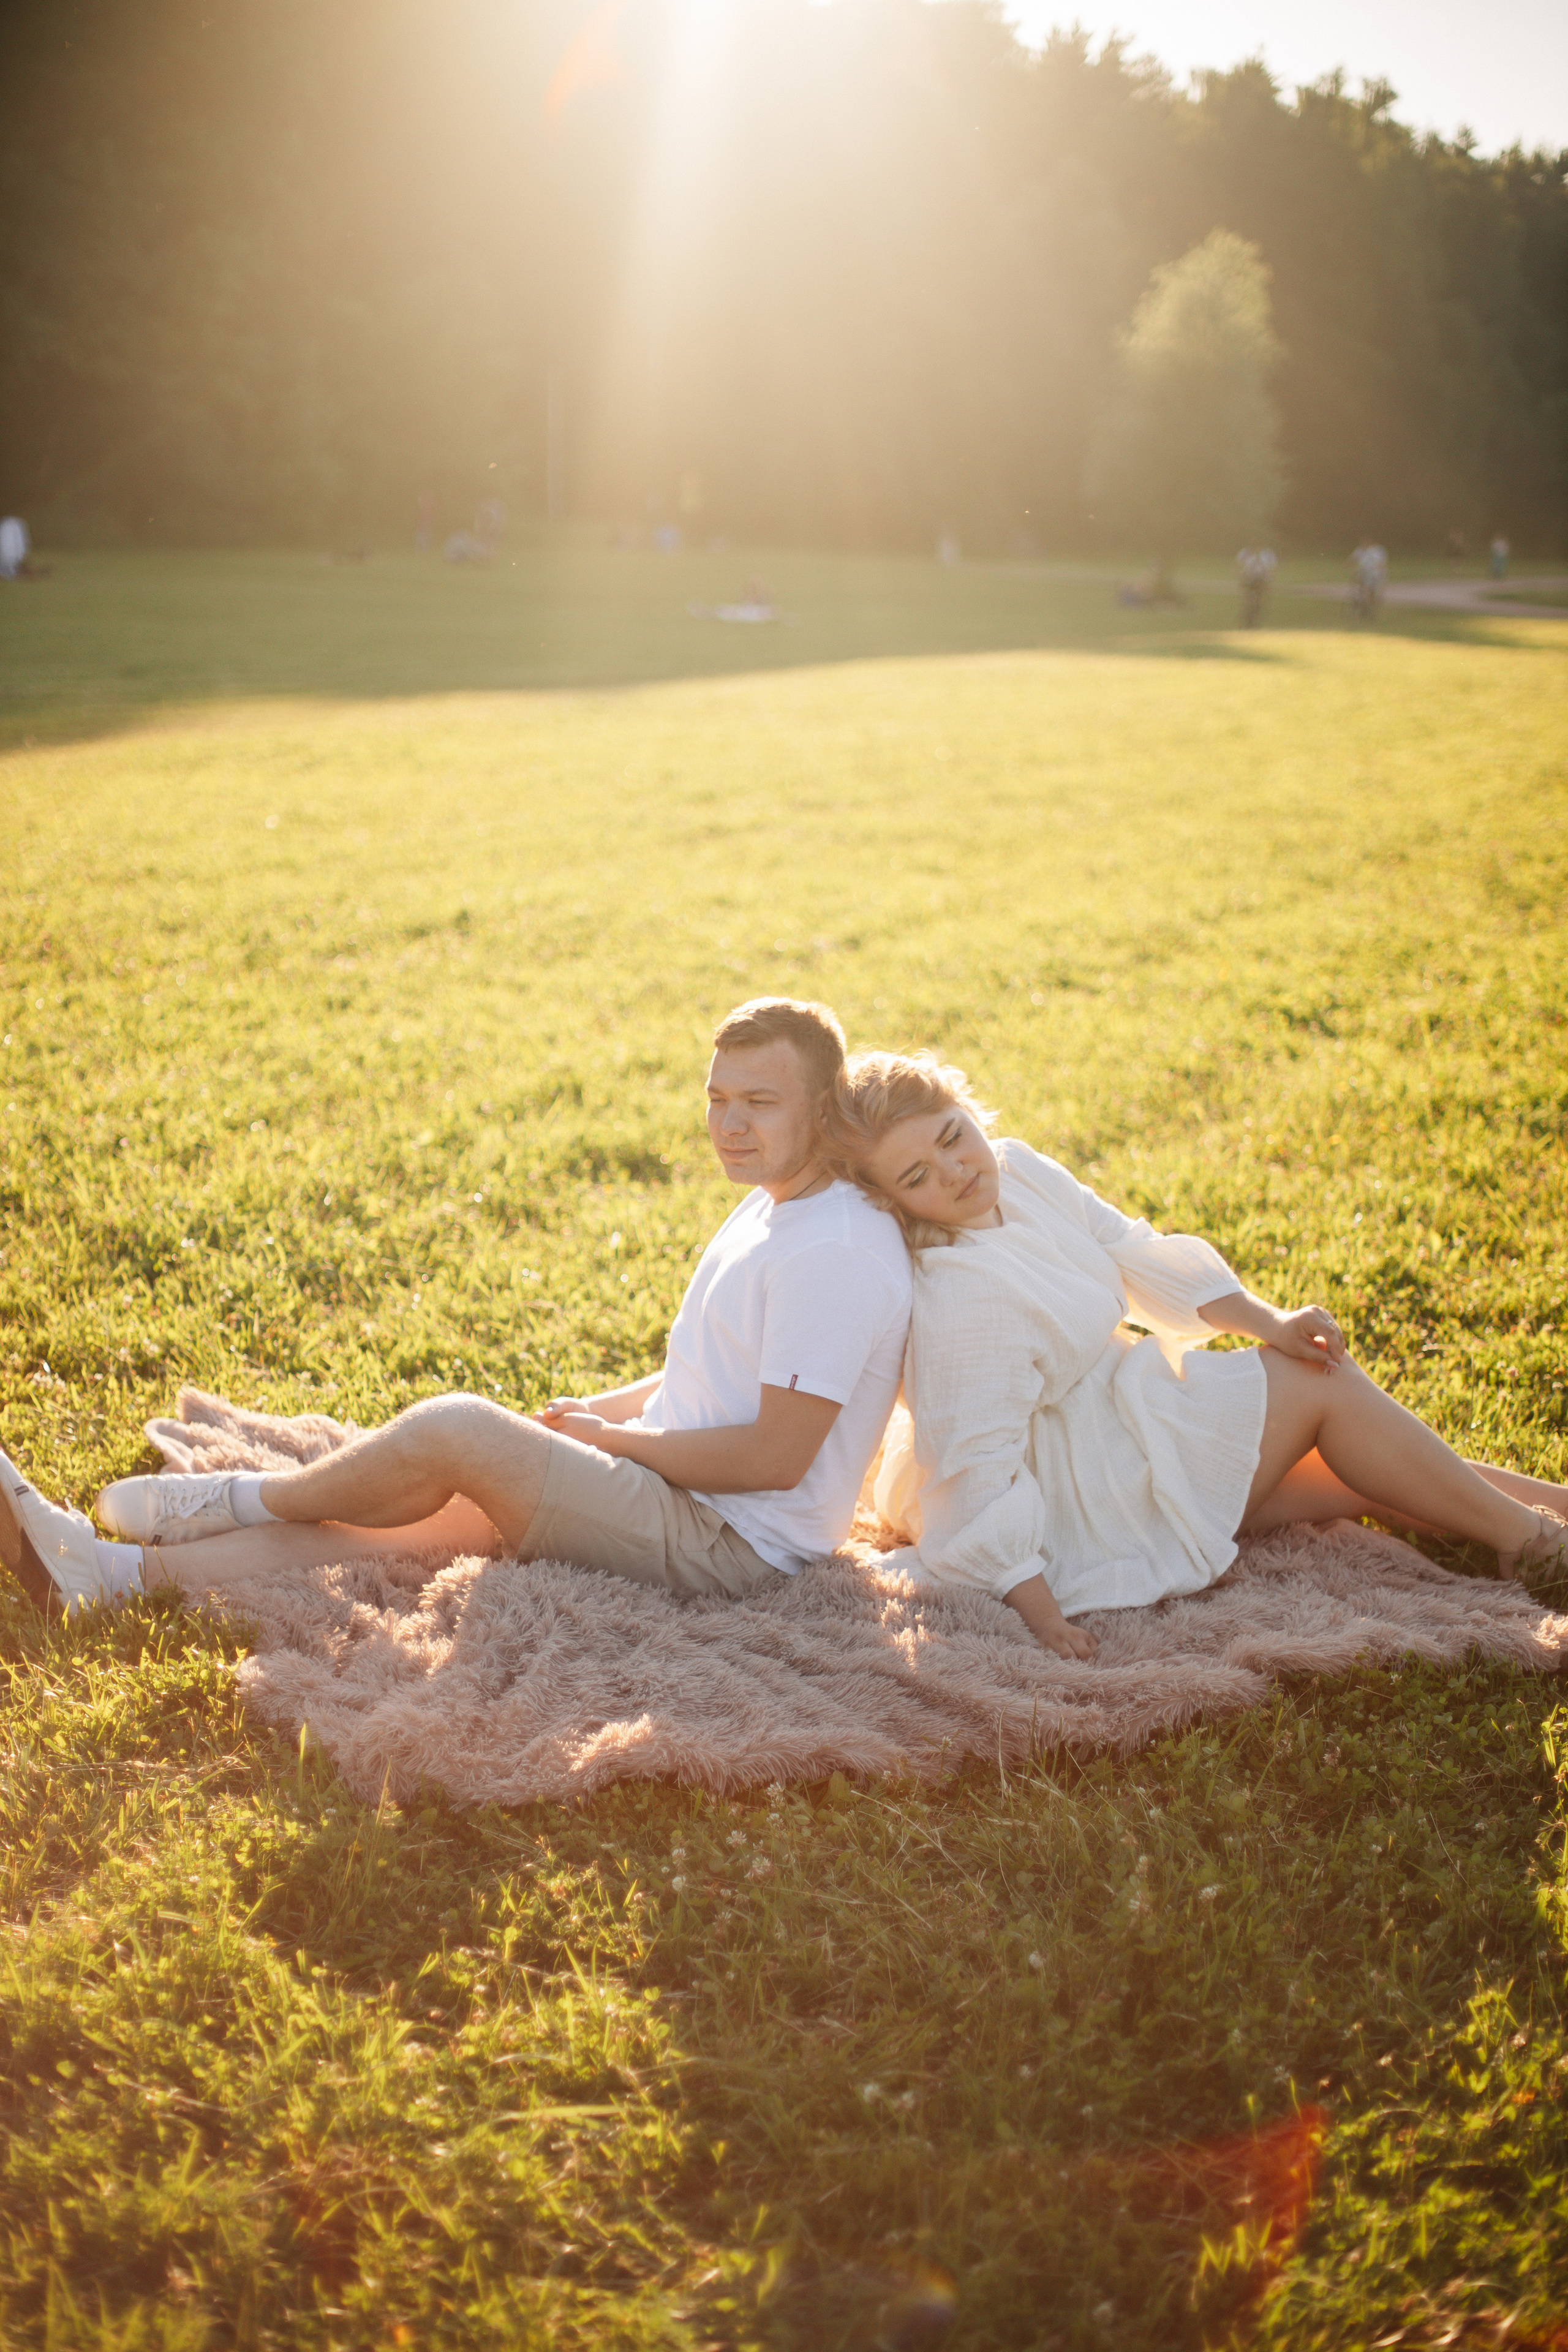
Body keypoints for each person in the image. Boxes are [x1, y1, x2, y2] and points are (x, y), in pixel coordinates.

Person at [1, 1001, 912, 1619]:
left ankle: (234, 1500)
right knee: (396, 1529)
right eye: (717, 1098)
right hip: (679, 1495)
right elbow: (713, 1374)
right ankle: (116, 1578)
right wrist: (600, 1418)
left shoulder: (832, 1249)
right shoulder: (779, 1200)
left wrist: (617, 1446)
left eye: (759, 1102)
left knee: (457, 1433)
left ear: (823, 1108)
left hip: (730, 1550)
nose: (728, 1125)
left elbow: (775, 1456)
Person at [822, 1052, 1568, 1662]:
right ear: (892, 1202)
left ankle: (1549, 1522)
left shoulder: (1016, 1170)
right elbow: (972, 1468)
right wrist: (1040, 1609)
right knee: (1323, 1389)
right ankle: (1532, 1545)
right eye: (916, 1176)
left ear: (966, 1110)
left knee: (1356, 1468)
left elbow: (1130, 1248)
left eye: (951, 1136)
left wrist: (1263, 1320)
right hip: (1083, 1495)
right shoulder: (961, 1293)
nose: (952, 1171)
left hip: (1127, 1419)